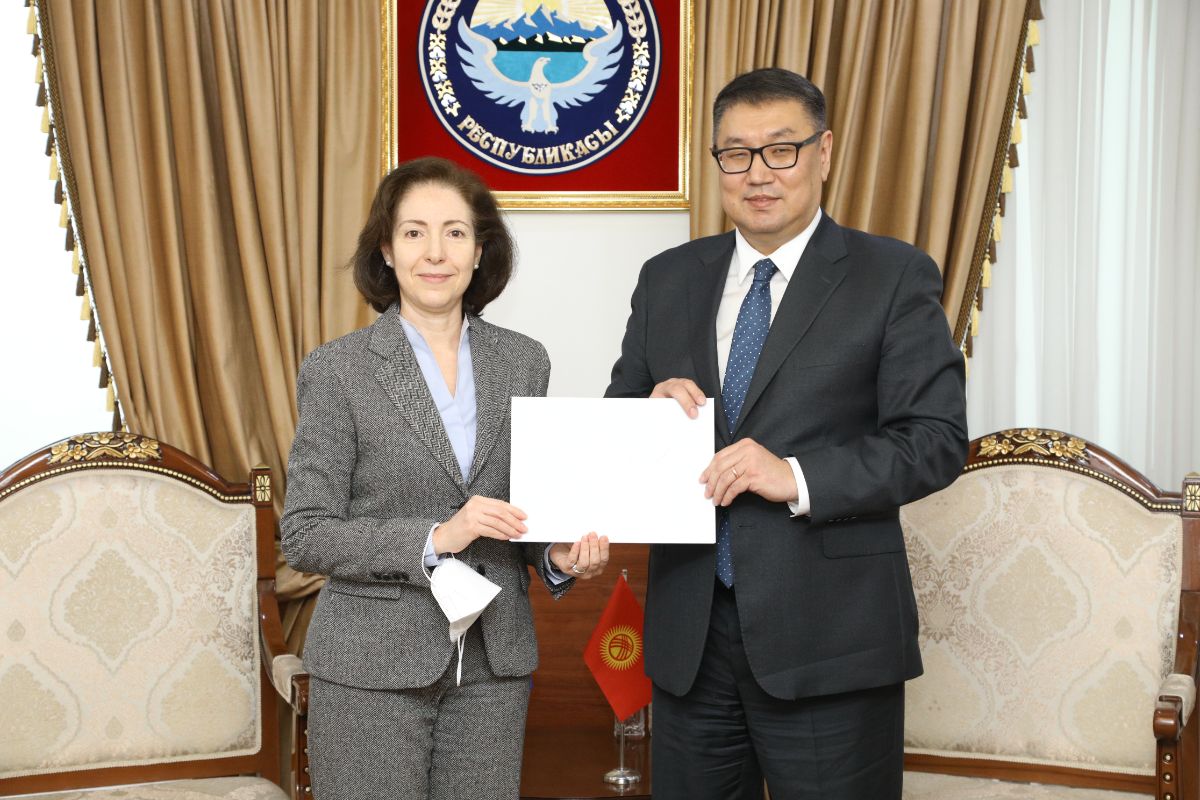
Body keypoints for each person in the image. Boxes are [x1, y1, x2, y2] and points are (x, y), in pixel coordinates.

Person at [605, 68, 968, 798]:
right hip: (689, 638)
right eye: (736, 154)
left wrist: (795, 475)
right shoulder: (667, 277)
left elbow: (934, 440)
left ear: (823, 152)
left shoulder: (892, 275)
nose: (758, 173)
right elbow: (618, 422)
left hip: (832, 639)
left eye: (781, 149)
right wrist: (647, 411)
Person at [281, 156, 609, 800]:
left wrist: (556, 556)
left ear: (480, 250)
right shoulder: (337, 369)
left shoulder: (524, 361)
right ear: (386, 249)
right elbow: (306, 534)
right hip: (371, 664)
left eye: (455, 233)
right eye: (414, 232)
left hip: (493, 664)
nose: (436, 252)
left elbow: (522, 507)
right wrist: (436, 536)